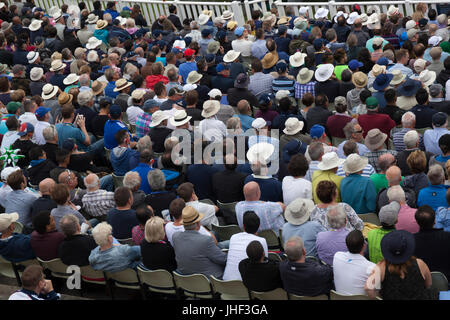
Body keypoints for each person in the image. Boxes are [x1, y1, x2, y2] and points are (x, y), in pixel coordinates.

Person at [365, 230, 438, 300]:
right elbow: (428, 284)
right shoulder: (420, 264)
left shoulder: (381, 267)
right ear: (408, 248)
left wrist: (379, 297)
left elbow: (369, 288)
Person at [172, 206, 227, 278]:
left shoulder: (175, 237)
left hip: (187, 280)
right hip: (211, 280)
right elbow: (223, 259)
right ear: (198, 223)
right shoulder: (206, 240)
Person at [223, 211, 268, 281]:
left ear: (243, 226)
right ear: (258, 226)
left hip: (226, 283)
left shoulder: (233, 237)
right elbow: (264, 262)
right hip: (247, 285)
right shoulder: (262, 241)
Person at [333, 230, 376, 296]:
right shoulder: (373, 267)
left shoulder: (337, 256)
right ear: (364, 246)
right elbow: (375, 294)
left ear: (346, 245)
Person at [414, 205, 450, 280]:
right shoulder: (447, 237)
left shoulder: (411, 241)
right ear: (434, 221)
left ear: (417, 222)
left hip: (421, 281)